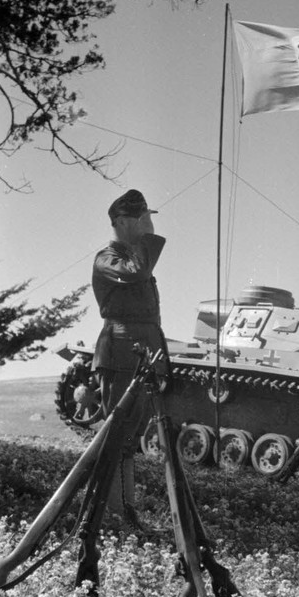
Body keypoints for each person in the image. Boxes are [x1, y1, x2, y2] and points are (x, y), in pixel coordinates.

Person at [92, 189, 169, 513]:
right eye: (143, 218)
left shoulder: (134, 258)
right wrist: (148, 238)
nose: (149, 224)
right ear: (122, 221)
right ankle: (108, 513)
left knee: (129, 437)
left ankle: (124, 510)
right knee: (116, 433)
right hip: (121, 353)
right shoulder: (108, 260)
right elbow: (137, 271)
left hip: (140, 352)